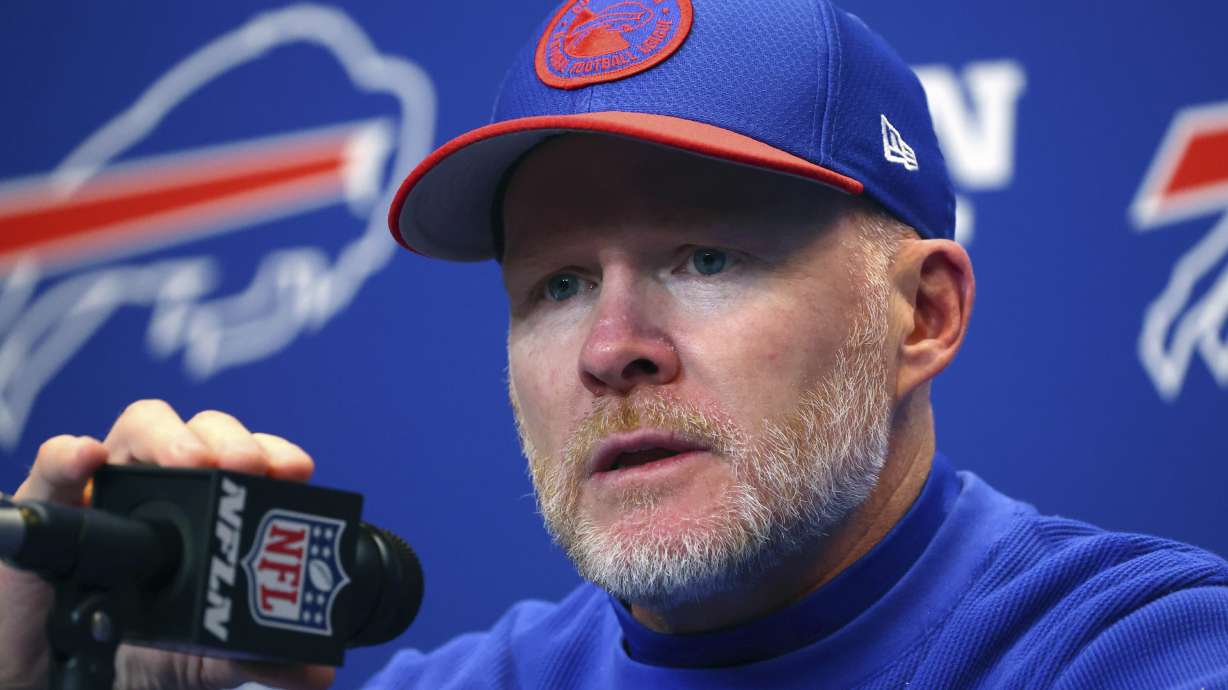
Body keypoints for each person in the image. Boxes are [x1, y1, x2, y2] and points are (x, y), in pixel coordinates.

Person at [4, 0, 1228, 688]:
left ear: (923, 317)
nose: (611, 347)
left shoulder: (1134, 649)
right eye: (557, 283)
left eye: (708, 259)